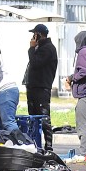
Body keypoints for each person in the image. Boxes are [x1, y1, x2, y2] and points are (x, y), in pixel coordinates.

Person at [23, 23, 58, 151]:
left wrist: (31, 49)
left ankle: (48, 146)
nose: (33, 37)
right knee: (33, 117)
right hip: (33, 87)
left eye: (35, 34)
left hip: (41, 88)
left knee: (43, 117)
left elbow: (36, 63)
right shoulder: (40, 48)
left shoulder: (48, 48)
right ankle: (34, 143)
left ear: (39, 35)